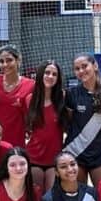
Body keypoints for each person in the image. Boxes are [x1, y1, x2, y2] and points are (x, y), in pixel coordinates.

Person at [64, 53, 101, 188]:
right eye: (77, 68)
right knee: (78, 198)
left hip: (100, 154)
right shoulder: (72, 93)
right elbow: (68, 123)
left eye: (84, 66)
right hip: (76, 152)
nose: (81, 71)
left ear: (95, 66)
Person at [25, 60, 66, 193]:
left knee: (50, 199)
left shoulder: (63, 98)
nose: (50, 76)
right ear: (41, 74)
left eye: (54, 74)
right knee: (36, 199)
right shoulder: (29, 99)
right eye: (47, 73)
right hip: (34, 157)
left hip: (54, 159)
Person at [0, 44, 34, 147]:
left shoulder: (30, 85)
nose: (5, 64)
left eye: (9, 60)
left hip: (16, 142)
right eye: (1, 61)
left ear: (18, 61)